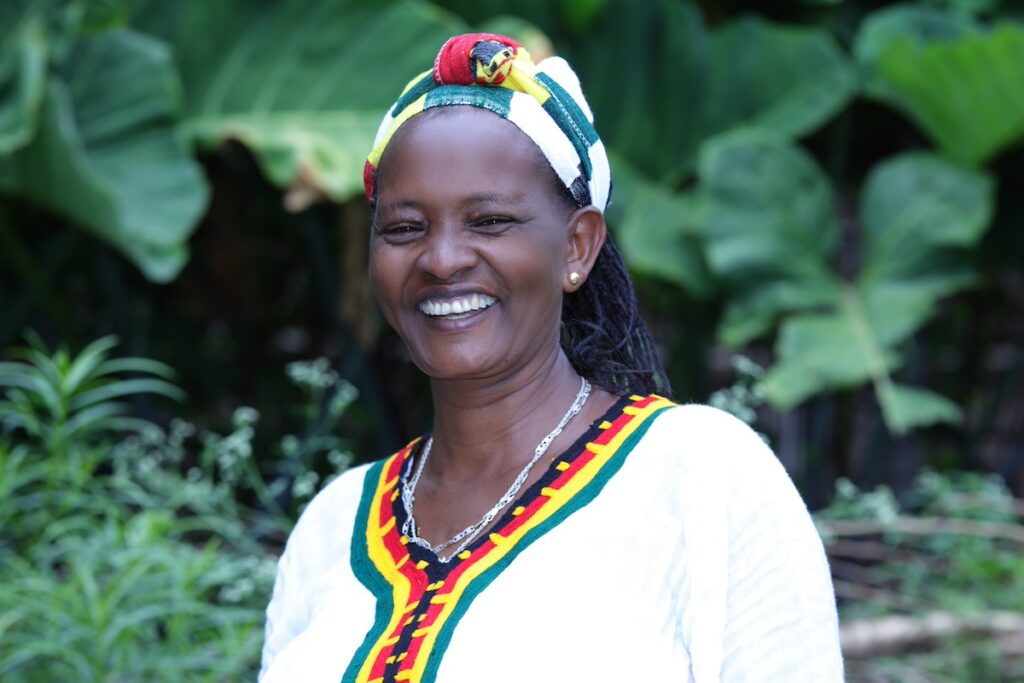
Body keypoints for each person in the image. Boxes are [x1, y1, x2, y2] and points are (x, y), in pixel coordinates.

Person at [259, 33, 843, 683]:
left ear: (577, 247)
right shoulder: (333, 524)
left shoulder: (701, 477)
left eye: (489, 221)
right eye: (404, 228)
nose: (443, 258)